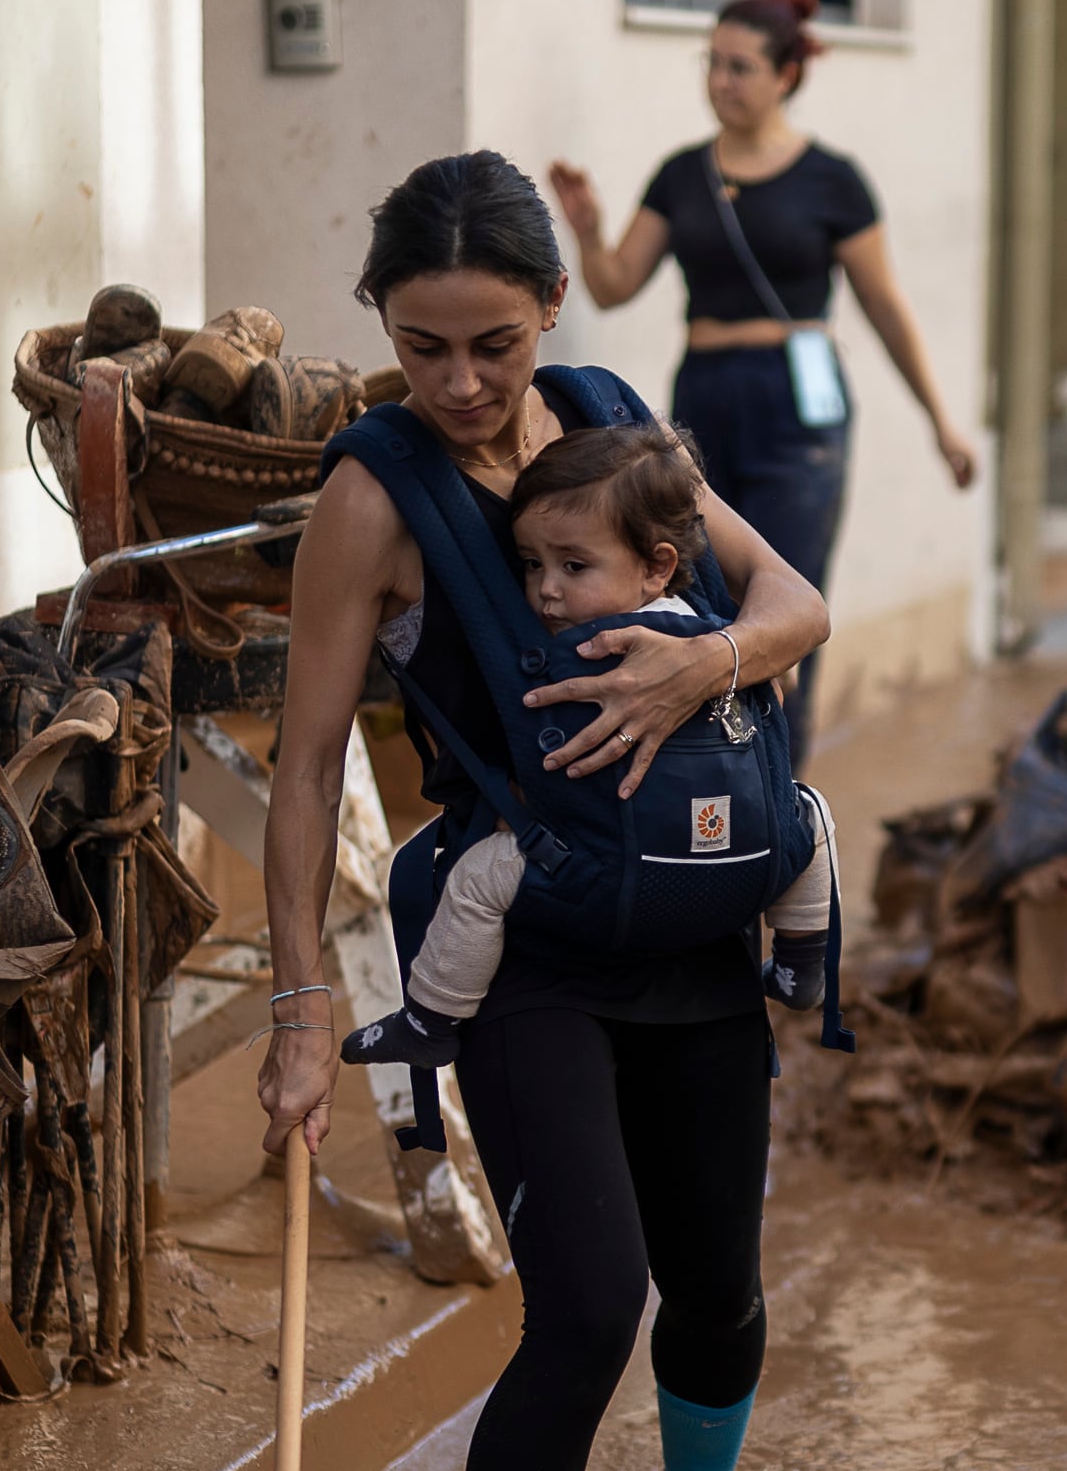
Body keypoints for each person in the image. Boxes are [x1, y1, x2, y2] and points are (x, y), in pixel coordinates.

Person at [263, 152, 835, 1471]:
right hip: (526, 958)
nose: (457, 383)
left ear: (551, 316)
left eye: (490, 344)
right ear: (386, 322)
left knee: (721, 1289)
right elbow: (302, 770)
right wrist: (303, 1009)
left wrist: (701, 657)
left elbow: (793, 600)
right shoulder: (372, 497)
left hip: (693, 928)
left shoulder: (606, 426)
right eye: (422, 344)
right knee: (589, 1301)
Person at [337, 422, 840, 1069]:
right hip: (742, 870)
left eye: (574, 566)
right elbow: (788, 669)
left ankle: (432, 1015)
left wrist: (517, 799)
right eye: (532, 565)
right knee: (811, 814)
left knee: (479, 881)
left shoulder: (584, 651)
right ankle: (802, 959)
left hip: (610, 880)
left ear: (658, 564)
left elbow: (543, 754)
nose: (548, 589)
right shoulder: (705, 627)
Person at [547, 0, 977, 709]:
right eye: (711, 63)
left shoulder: (832, 182)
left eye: (740, 67)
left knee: (785, 606)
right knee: (700, 590)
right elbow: (615, 285)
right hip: (704, 394)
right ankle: (716, 777)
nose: (720, 81)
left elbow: (884, 306)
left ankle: (784, 794)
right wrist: (589, 230)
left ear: (787, 76)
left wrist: (942, 423)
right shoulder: (684, 174)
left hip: (798, 405)